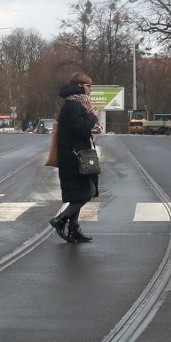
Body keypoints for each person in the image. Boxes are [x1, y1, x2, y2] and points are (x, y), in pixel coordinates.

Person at [48, 72, 103, 243]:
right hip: (76, 156)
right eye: (88, 86)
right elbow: (81, 130)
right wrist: (93, 116)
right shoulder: (73, 105)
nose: (91, 90)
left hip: (81, 153)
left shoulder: (76, 104)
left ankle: (73, 229)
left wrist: (90, 116)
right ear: (80, 87)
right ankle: (61, 219)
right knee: (88, 192)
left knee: (82, 192)